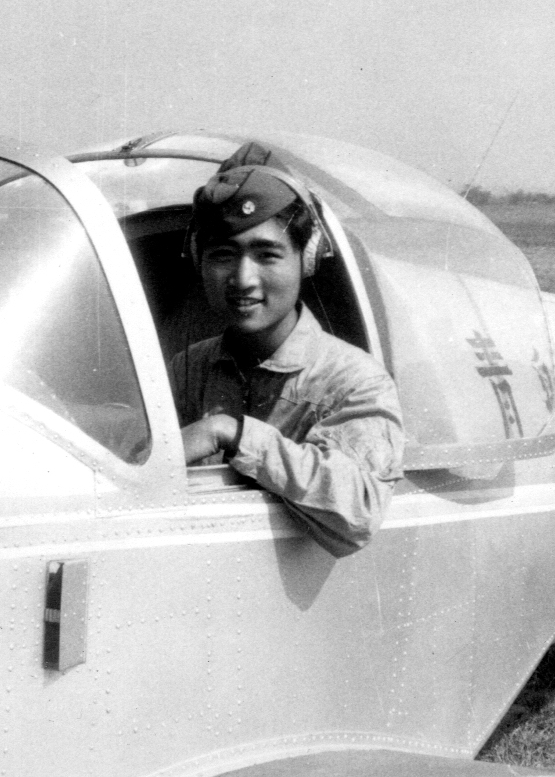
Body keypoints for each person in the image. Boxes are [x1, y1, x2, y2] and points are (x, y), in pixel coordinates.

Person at [172, 143, 404, 558]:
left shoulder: (354, 380)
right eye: (223, 254)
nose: (243, 279)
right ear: (197, 260)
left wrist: (231, 431)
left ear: (307, 257)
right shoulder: (189, 367)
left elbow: (359, 512)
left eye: (267, 254)